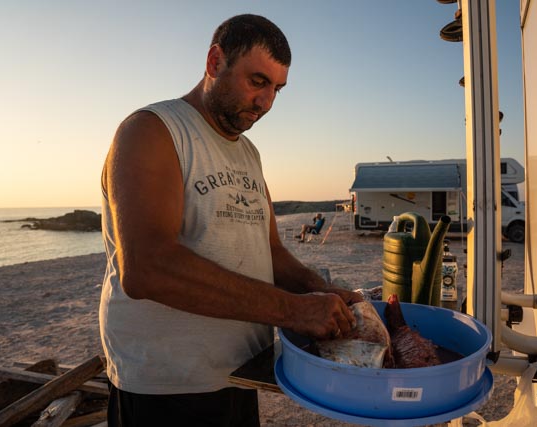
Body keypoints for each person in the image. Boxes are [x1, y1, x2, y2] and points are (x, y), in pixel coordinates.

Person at [99, 14, 363, 427]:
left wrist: (321, 290)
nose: (266, 102)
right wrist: (295, 311)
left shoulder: (249, 154)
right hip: (167, 387)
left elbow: (270, 252)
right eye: (257, 81)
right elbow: (147, 268)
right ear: (214, 61)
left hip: (241, 373)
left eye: (277, 89)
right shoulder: (152, 131)